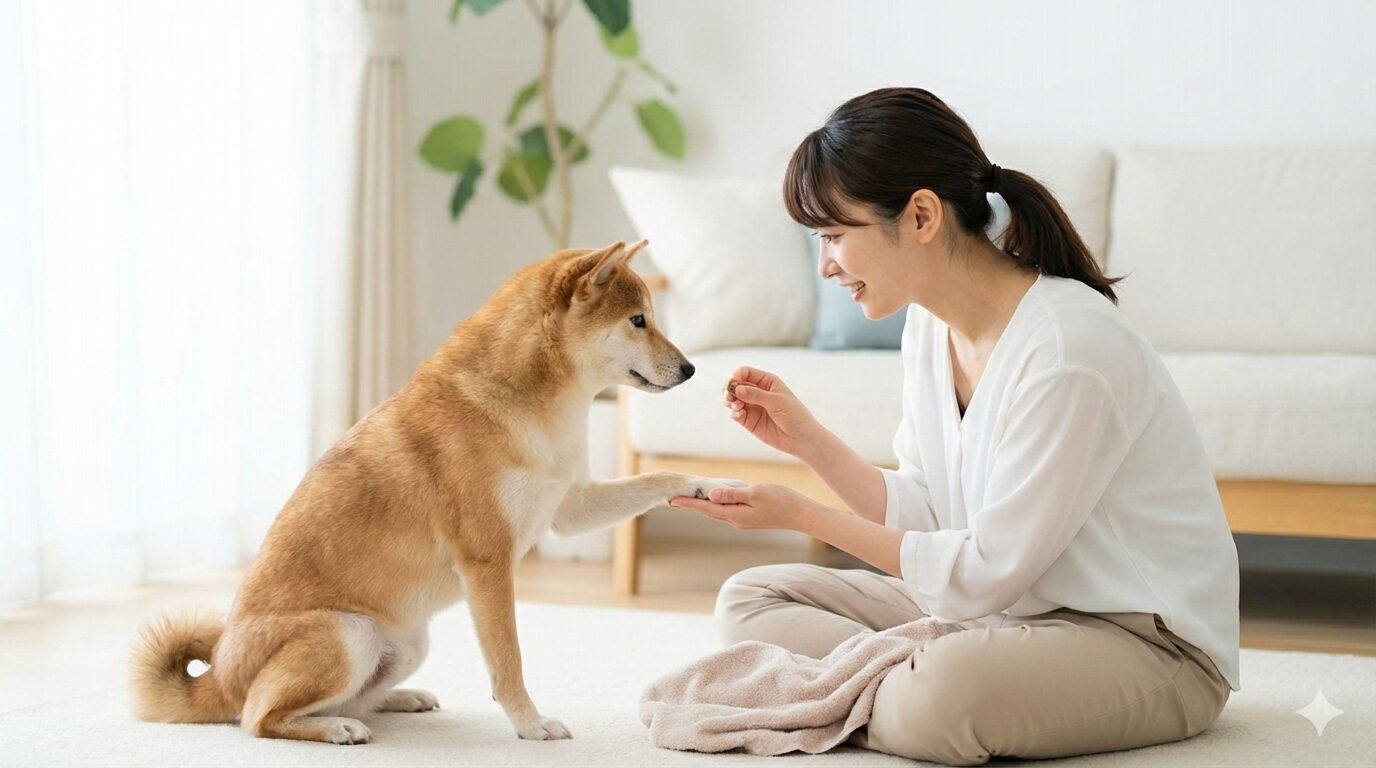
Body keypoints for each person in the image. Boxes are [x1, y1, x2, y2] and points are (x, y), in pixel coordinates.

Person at [668, 87, 1240, 766]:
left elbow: (981, 574)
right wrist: (806, 441)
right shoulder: (927, 326)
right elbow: (929, 513)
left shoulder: (1067, 350)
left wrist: (802, 514)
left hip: (1144, 644)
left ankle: (872, 687)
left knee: (935, 701)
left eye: (834, 235)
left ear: (920, 215)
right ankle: (894, 679)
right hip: (998, 616)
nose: (826, 265)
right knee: (751, 599)